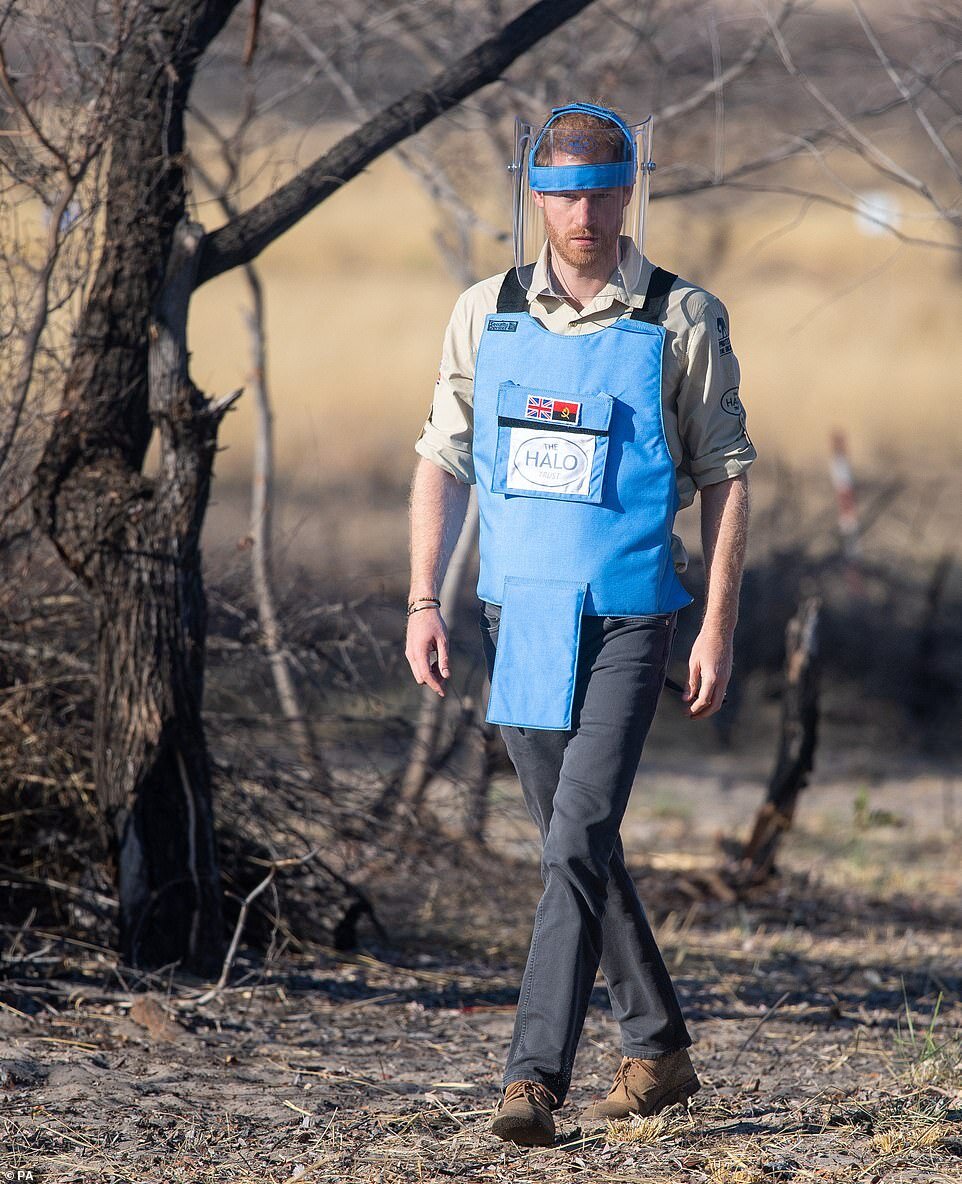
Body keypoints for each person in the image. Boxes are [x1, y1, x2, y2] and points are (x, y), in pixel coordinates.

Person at [405, 102, 754, 1147]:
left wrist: (718, 627)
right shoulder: (485, 310)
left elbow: (727, 478)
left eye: (603, 190)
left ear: (628, 190)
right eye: (563, 193)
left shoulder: (679, 316)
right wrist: (423, 595)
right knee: (576, 845)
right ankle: (659, 1049)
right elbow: (441, 454)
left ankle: (531, 1079)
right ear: (535, 195)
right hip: (518, 617)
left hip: (631, 618)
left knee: (573, 840)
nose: (584, 212)